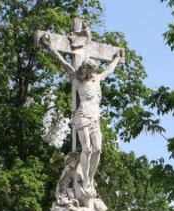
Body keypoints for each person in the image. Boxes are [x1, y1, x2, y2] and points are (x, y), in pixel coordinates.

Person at [41, 34, 124, 191]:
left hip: (95, 117)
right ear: (85, 70)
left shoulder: (97, 79)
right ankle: (86, 180)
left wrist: (116, 59)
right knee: (87, 149)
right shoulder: (78, 82)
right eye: (89, 70)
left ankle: (90, 179)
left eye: (93, 70)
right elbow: (64, 63)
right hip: (82, 116)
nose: (91, 73)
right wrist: (50, 46)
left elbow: (109, 70)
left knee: (98, 149)